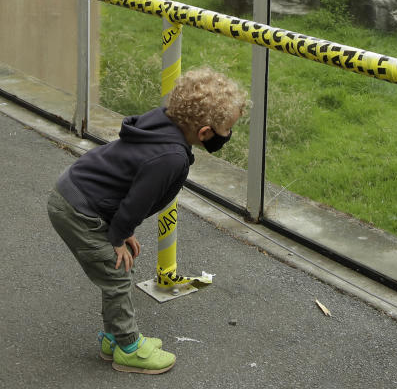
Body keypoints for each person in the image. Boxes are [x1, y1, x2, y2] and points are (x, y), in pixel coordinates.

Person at [47, 67, 249, 374]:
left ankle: (113, 339)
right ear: (205, 133)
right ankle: (128, 347)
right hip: (79, 210)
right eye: (227, 131)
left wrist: (120, 230)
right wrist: (118, 236)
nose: (228, 136)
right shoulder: (171, 157)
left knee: (117, 270)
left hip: (80, 190)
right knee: (116, 275)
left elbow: (128, 186)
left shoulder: (163, 121)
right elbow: (136, 202)